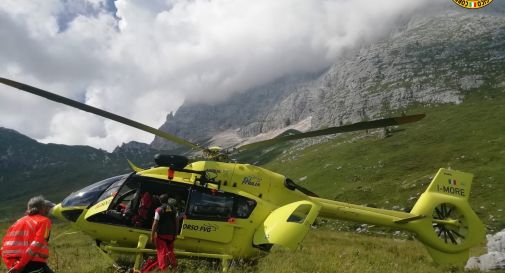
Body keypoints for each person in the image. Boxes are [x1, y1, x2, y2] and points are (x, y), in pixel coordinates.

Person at [1, 196, 55, 273]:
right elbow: (37, 243)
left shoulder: (17, 222)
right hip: (31, 264)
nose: (47, 210)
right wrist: (20, 266)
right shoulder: (44, 221)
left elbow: (3, 248)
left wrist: (13, 266)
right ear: (42, 208)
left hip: (14, 265)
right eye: (46, 207)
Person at [143, 194, 178, 272]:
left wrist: (152, 236)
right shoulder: (174, 210)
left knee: (161, 252)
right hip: (171, 236)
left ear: (160, 201)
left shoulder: (159, 210)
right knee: (170, 252)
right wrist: (175, 234)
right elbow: (177, 222)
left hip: (161, 235)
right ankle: (174, 268)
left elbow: (155, 224)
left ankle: (164, 269)